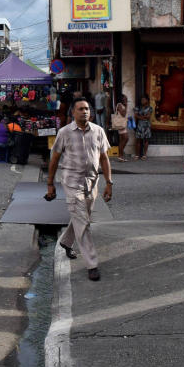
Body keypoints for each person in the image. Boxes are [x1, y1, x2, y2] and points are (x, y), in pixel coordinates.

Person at [45, 98, 113, 281]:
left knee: (81, 216)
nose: (85, 112)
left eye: (87, 109)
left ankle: (66, 242)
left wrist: (109, 182)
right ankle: (92, 264)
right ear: (73, 113)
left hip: (92, 181)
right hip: (71, 181)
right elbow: (54, 159)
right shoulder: (64, 133)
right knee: (83, 220)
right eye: (81, 109)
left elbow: (104, 158)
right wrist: (50, 184)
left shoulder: (98, 131)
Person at [134, 96, 153, 160]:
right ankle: (137, 155)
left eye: (144, 99)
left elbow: (148, 116)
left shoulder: (150, 108)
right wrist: (143, 117)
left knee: (146, 140)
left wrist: (140, 116)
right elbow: (136, 116)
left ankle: (144, 155)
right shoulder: (137, 107)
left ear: (147, 100)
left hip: (146, 126)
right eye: (142, 100)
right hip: (139, 125)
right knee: (138, 140)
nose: (142, 101)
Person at [111, 96, 129, 162]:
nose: (126, 100)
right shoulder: (119, 105)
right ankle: (120, 155)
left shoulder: (121, 105)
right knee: (126, 138)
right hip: (120, 125)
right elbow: (123, 114)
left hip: (122, 125)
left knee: (122, 140)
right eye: (124, 99)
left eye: (126, 99)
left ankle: (121, 156)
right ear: (121, 100)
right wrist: (126, 106)